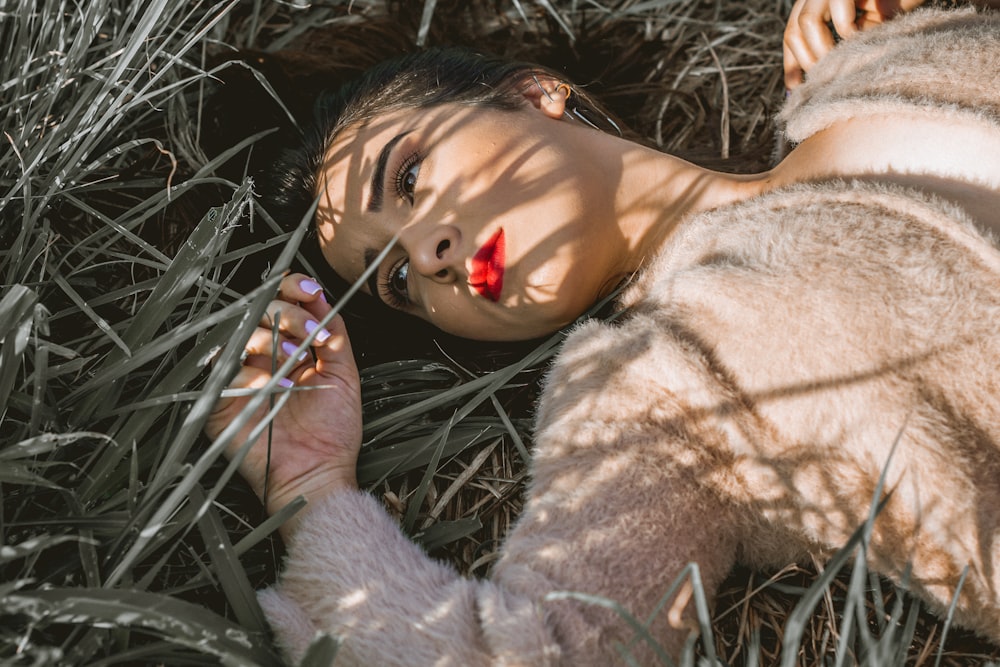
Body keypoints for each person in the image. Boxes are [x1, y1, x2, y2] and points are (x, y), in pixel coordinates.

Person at [205, 2, 1000, 664]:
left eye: (409, 177)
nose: (429, 252)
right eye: (399, 282)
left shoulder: (880, 61)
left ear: (534, 92)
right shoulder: (653, 396)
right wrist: (308, 485)